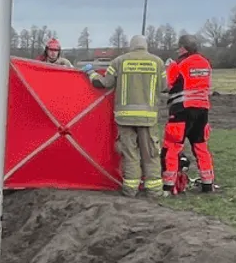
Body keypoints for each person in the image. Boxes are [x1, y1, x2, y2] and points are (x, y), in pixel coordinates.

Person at [89, 34, 164, 196]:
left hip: (124, 118)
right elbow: (165, 86)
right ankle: (154, 190)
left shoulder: (119, 61)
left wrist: (91, 73)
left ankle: (130, 189)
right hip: (148, 118)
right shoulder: (157, 62)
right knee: (151, 153)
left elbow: (103, 83)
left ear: (131, 46)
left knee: (130, 154)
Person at [163, 34, 217, 193]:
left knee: (172, 147)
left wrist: (167, 68)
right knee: (200, 146)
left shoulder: (179, 63)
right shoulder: (205, 63)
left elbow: (166, 85)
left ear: (183, 48)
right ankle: (207, 183)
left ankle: (168, 185)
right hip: (202, 110)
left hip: (182, 110)